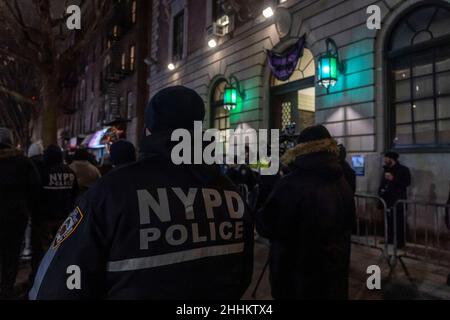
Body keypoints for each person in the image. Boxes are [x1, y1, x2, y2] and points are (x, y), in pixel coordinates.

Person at [30, 86, 254, 300]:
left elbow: (58, 284)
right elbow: (243, 275)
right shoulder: (231, 193)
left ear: (148, 131)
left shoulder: (111, 193)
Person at [257, 125, 356, 300]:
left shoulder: (291, 185)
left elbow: (266, 225)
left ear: (299, 149)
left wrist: (267, 173)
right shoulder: (343, 179)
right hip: (334, 280)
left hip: (297, 283)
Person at [29, 145, 79, 287]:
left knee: (42, 251)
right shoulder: (70, 172)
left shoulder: (43, 172)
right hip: (64, 218)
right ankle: (61, 280)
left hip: (45, 218)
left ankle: (40, 281)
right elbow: (75, 193)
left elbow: (36, 194)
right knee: (61, 250)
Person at [0, 128, 41, 299]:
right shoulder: (23, 162)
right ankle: (6, 289)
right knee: (11, 253)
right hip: (15, 216)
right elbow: (35, 189)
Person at [378, 152, 411, 248]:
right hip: (387, 200)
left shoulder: (403, 170)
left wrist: (393, 179)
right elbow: (383, 183)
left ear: (391, 159)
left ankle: (400, 242)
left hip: (398, 200)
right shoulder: (386, 169)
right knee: (389, 220)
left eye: (386, 158)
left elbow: (407, 183)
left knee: (399, 221)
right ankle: (390, 239)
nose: (384, 160)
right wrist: (380, 192)